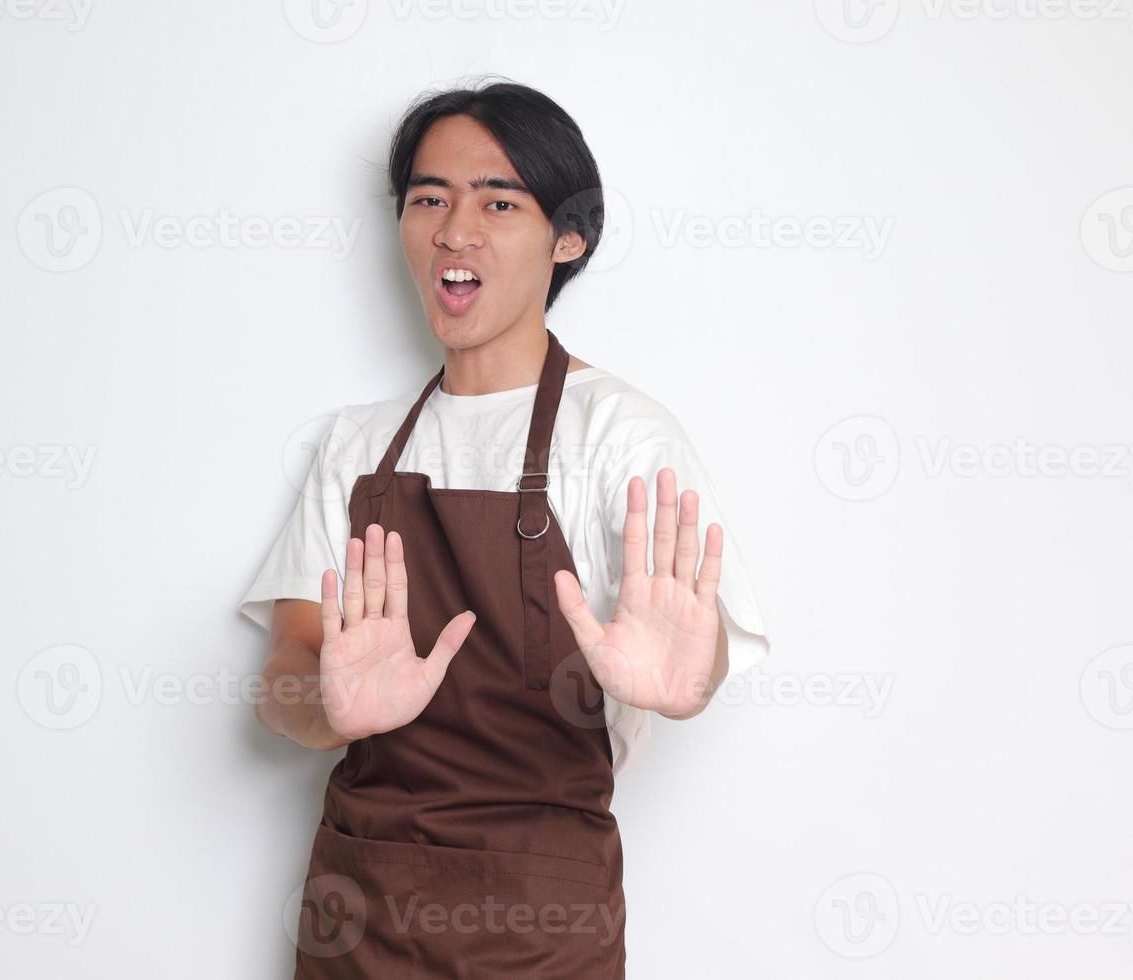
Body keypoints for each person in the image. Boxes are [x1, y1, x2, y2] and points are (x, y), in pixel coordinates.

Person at [238, 78, 770, 978]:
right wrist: (328, 706)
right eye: (428, 199)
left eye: (499, 199)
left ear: (569, 236)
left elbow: (695, 648)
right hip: (357, 908)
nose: (455, 228)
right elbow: (282, 676)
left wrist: (695, 671)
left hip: (541, 920)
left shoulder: (620, 434)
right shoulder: (358, 445)